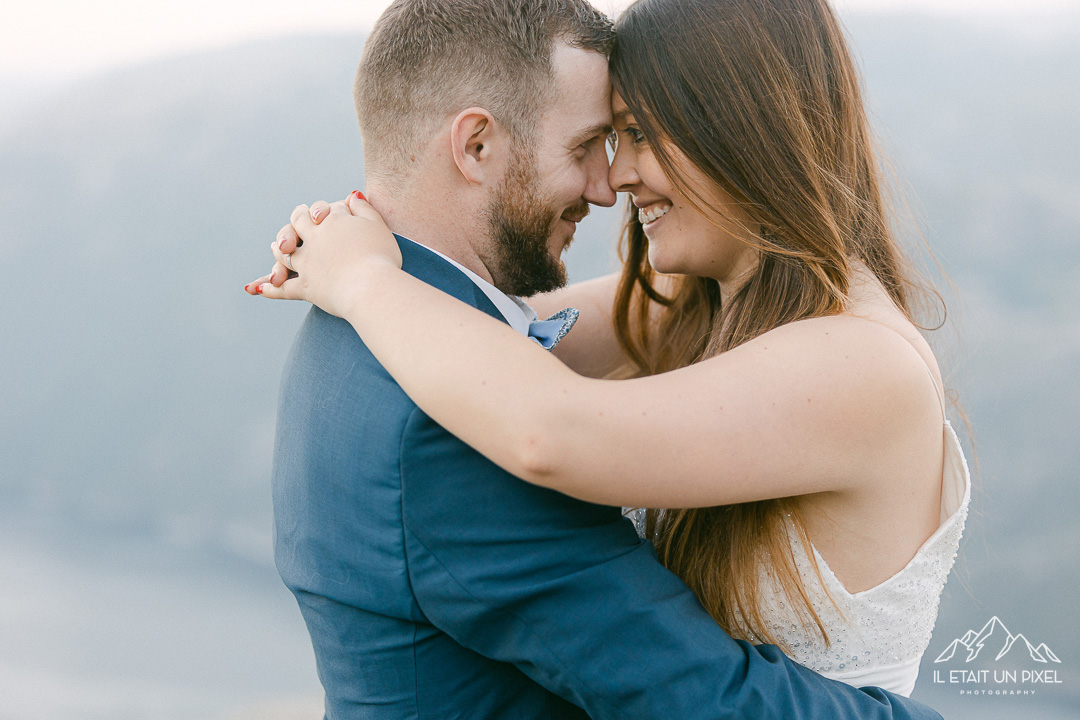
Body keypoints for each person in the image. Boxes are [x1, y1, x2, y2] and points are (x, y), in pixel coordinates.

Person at [251, 0, 970, 708]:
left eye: (640, 135)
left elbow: (553, 427)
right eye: (603, 139)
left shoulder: (861, 364)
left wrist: (366, 279)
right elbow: (501, 325)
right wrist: (355, 245)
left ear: (745, 129)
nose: (615, 179)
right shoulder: (697, 299)